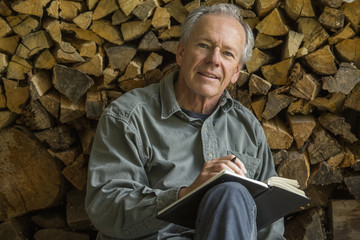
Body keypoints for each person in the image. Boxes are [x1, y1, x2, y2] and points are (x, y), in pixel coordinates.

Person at [85, 3, 285, 240]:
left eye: (227, 53)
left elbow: (270, 229)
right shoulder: (128, 117)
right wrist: (185, 195)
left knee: (231, 194)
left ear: (235, 73)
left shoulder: (247, 128)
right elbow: (106, 209)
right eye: (204, 45)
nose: (214, 60)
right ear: (181, 53)